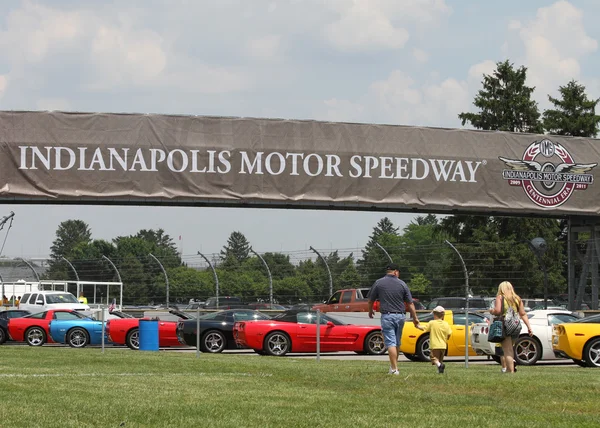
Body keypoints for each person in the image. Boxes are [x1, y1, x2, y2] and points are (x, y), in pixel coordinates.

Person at [368, 263, 420, 375]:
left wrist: (370, 310)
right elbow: (410, 303)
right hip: (401, 316)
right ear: (396, 272)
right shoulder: (402, 284)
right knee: (397, 342)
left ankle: (394, 369)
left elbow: (371, 300)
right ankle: (394, 366)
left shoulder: (379, 283)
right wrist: (415, 318)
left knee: (390, 342)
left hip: (387, 315)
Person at [489, 281, 533, 373]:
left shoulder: (500, 297)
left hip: (505, 326)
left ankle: (510, 371)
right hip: (516, 326)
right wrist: (529, 327)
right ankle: (510, 369)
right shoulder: (517, 299)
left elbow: (497, 311)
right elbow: (523, 314)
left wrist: (491, 311)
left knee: (507, 350)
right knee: (510, 348)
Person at [416, 306, 452, 374]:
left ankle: (439, 366)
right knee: (440, 359)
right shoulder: (446, 324)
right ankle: (440, 370)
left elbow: (425, 328)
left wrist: (418, 326)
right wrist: (447, 339)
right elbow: (449, 333)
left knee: (433, 358)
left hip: (435, 345)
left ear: (435, 314)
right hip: (443, 345)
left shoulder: (432, 323)